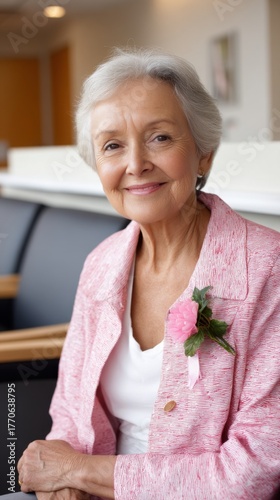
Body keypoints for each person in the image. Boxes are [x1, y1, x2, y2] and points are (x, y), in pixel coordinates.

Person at [7, 48, 280, 499]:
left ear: (204, 154)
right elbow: (71, 418)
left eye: (160, 138)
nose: (135, 164)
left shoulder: (267, 268)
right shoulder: (102, 263)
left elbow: (252, 473)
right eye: (112, 145)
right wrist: (64, 478)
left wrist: (81, 472)